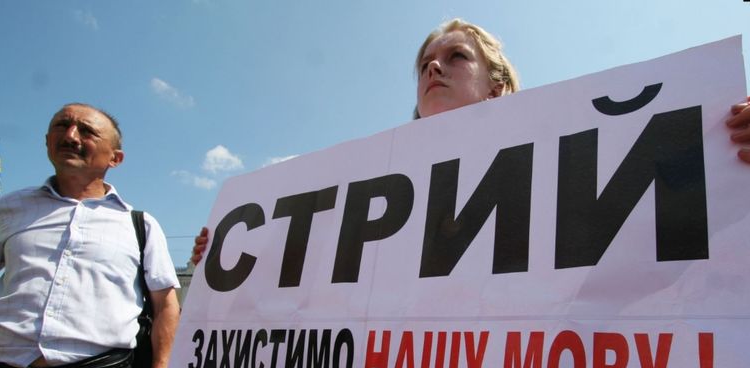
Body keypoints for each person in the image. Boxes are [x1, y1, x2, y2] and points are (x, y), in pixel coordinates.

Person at [190, 18, 750, 260]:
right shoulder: (367, 186)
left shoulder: (571, 161)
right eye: (424, 64)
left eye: (456, 57)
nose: (433, 68)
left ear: (497, 87)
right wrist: (234, 260)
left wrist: (730, 157)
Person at [0, 103, 181, 368]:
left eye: (87, 131)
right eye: (62, 125)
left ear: (115, 158)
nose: (71, 136)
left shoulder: (140, 226)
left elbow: (166, 307)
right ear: (46, 141)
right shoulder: (11, 209)